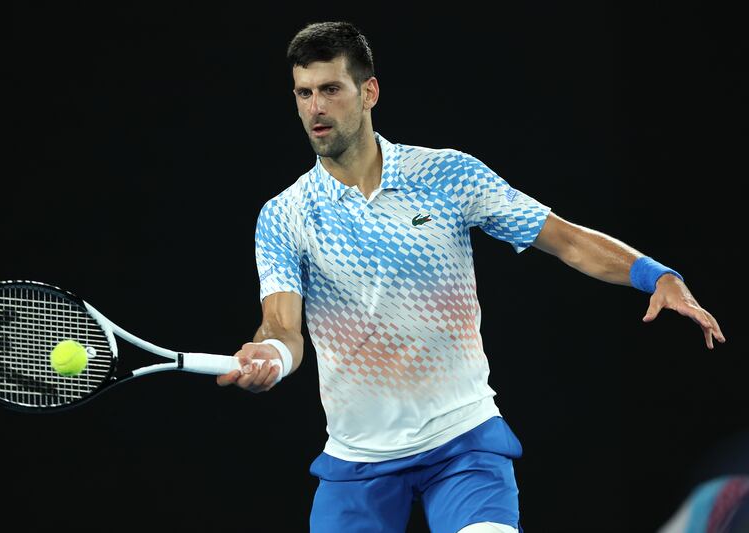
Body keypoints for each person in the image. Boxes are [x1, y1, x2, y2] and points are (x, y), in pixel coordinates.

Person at [216, 21, 726, 533]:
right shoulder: (284, 215)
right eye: (304, 93)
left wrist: (657, 275)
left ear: (369, 91)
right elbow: (282, 329)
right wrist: (273, 358)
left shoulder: (447, 175)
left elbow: (567, 240)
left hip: (463, 444)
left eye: (330, 89)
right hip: (357, 461)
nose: (315, 108)